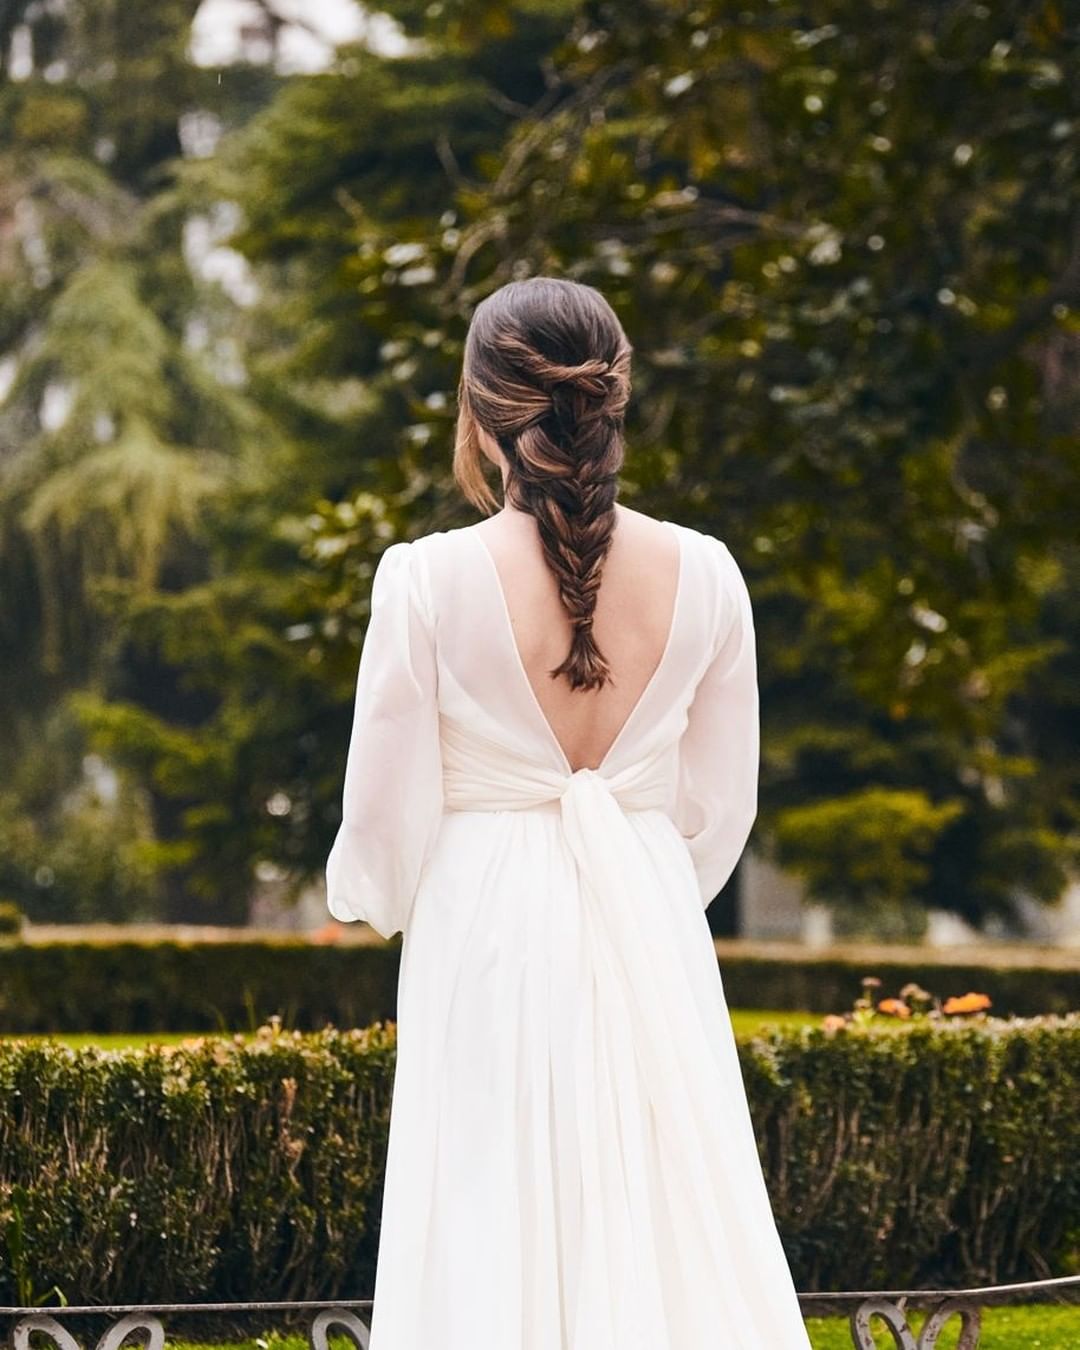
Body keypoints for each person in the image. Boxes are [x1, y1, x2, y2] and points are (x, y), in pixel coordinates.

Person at [325, 276, 813, 1348]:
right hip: (645, 914)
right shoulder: (711, 576)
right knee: (661, 1204)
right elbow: (718, 809)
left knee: (487, 1207)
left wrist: (382, 894)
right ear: (615, 393)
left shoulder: (425, 580)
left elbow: (382, 817)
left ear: (479, 406)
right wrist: (641, 881)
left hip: (483, 931)